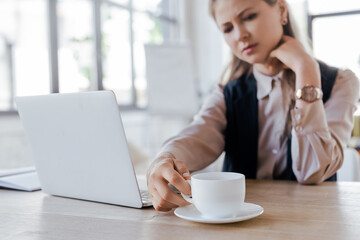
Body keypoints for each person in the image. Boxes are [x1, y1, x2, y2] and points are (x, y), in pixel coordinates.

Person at [147, 0, 359, 211]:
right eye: (228, 28)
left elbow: (313, 172)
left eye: (249, 17)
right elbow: (195, 136)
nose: (239, 35)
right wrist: (164, 160)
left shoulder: (341, 82)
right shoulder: (226, 93)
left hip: (314, 220)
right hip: (240, 224)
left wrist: (305, 69)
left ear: (281, 10)